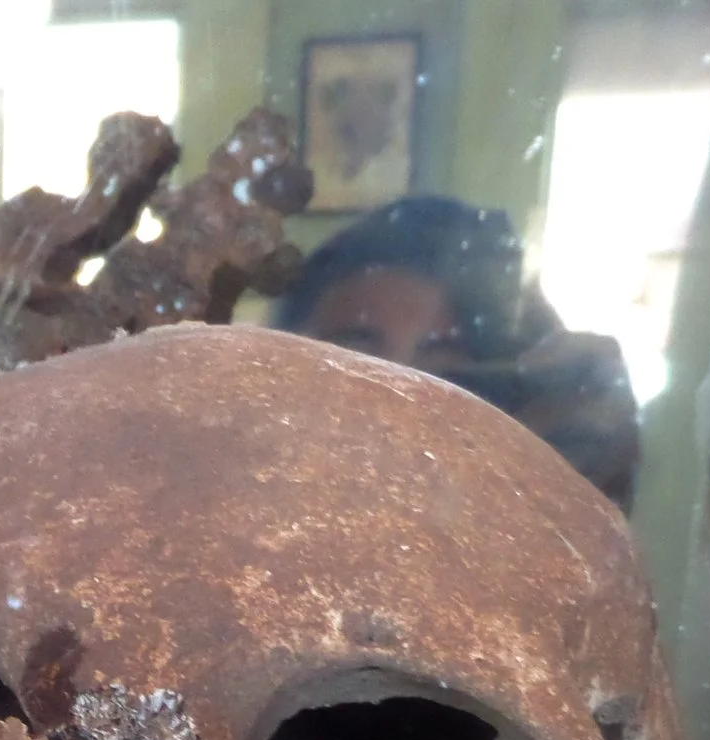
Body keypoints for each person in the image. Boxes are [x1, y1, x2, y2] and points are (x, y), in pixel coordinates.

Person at [273, 194, 641, 509]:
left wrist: (575, 480)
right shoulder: (265, 515)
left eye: (439, 374)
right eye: (356, 364)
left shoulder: (512, 525)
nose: (398, 400)